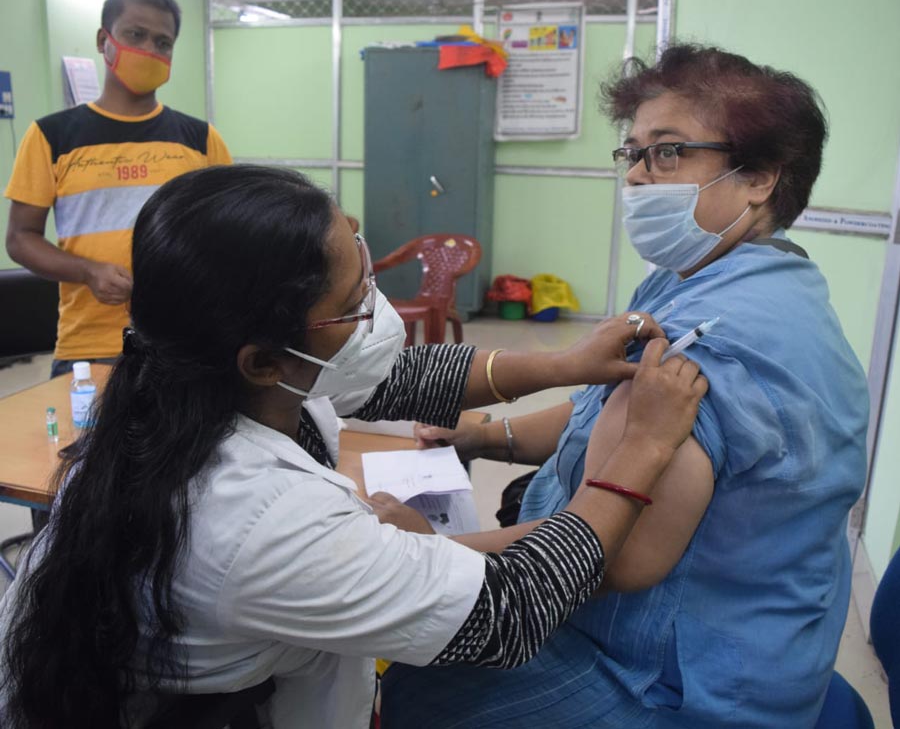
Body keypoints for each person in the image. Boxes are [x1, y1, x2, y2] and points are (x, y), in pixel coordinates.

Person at [0, 165, 707, 729]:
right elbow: (512, 611)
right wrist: (640, 449)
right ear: (263, 359)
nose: (377, 308)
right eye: (353, 301)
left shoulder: (198, 385)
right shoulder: (254, 515)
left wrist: (565, 364)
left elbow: (395, 381)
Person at [380, 44, 869, 729]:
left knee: (411, 686)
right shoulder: (716, 271)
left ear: (758, 176)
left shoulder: (712, 341)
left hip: (672, 682)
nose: (638, 176)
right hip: (729, 634)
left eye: (667, 152)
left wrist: (420, 552)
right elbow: (598, 409)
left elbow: (608, 550)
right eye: (632, 152)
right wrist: (481, 435)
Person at [4, 0, 232, 379]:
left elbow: (230, 233)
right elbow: (20, 238)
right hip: (89, 350)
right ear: (102, 40)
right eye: (135, 35)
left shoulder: (200, 140)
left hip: (183, 344)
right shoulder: (51, 136)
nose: (149, 50)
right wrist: (88, 271)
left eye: (163, 43)